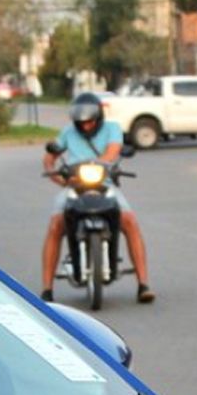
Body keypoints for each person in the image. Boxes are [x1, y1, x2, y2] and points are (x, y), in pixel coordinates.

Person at [40, 92, 155, 304]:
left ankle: (143, 284)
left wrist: (93, 167)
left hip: (105, 184)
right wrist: (59, 178)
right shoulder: (68, 132)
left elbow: (112, 153)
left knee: (129, 221)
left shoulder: (112, 128)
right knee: (56, 224)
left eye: (90, 121)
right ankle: (47, 289)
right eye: (81, 122)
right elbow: (49, 158)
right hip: (75, 187)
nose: (85, 126)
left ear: (99, 117)